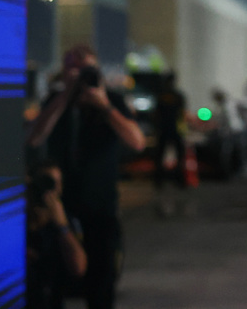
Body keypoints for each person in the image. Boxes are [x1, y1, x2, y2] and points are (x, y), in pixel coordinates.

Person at [27, 45, 145, 309]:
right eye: (73, 68)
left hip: (100, 207)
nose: (80, 75)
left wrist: (104, 107)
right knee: (53, 282)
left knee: (100, 286)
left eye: (86, 69)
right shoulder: (56, 101)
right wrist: (64, 96)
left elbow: (137, 142)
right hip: (59, 205)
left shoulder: (111, 101)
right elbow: (35, 137)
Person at [26, 159, 87, 309]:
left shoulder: (65, 221)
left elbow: (78, 268)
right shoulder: (17, 220)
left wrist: (62, 226)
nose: (52, 189)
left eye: (57, 183)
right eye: (47, 182)